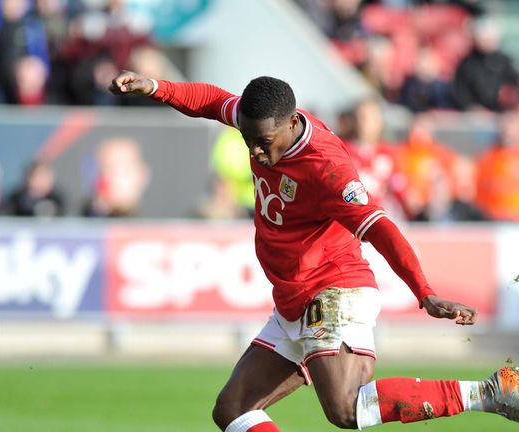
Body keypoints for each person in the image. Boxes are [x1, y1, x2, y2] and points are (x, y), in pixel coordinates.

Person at [109, 70, 518, 431]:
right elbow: (213, 101)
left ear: (290, 122)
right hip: (293, 296)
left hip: (334, 288)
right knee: (233, 410)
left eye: (263, 142)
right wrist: (157, 87)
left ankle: (489, 392)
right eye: (248, 139)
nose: (254, 152)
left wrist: (424, 292)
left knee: (344, 408)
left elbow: (379, 227)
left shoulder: (326, 167)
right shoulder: (262, 122)